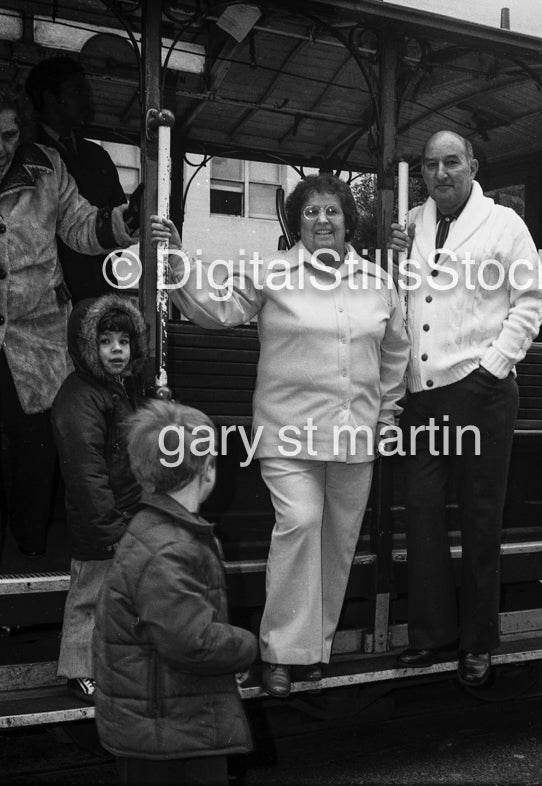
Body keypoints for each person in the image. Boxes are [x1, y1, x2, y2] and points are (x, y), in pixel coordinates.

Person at [151, 173, 409, 698]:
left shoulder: (377, 281)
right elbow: (213, 308)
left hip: (355, 436)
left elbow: (395, 353)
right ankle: (281, 653)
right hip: (288, 436)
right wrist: (175, 259)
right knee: (300, 523)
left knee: (336, 545)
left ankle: (315, 650)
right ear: (296, 222)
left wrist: (388, 417)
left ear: (346, 221)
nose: (321, 220)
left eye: (331, 211)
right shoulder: (272, 272)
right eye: (310, 212)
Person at [389, 130, 542, 687]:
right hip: (423, 393)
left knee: (482, 519)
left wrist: (494, 367)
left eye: (451, 162)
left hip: (480, 390)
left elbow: (531, 301)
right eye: (430, 165)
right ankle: (432, 634)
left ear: (473, 165)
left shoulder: (505, 224)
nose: (440, 173)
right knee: (422, 511)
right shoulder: (409, 224)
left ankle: (478, 642)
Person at [0, 86, 136, 559]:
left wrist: (128, 219)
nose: (1, 146)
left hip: (34, 341)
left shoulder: (46, 167)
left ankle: (29, 556)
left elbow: (80, 228)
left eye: (8, 134)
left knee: (34, 454)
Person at [93, 400, 257, 786]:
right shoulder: (173, 547)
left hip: (160, 719)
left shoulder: (151, 527)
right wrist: (249, 646)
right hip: (173, 732)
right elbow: (192, 641)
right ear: (208, 470)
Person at [51, 294, 147, 703]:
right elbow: (85, 471)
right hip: (101, 521)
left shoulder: (114, 391)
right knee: (89, 595)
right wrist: (110, 528)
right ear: (88, 346)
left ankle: (101, 667)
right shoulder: (80, 395)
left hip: (120, 515)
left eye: (123, 342)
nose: (116, 351)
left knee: (110, 599)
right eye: (106, 341)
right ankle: (77, 670)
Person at [26, 57, 129, 302]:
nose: (86, 100)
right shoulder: (27, 155)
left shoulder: (97, 156)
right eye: (76, 91)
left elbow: (117, 225)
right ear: (50, 97)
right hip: (47, 299)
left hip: (97, 291)